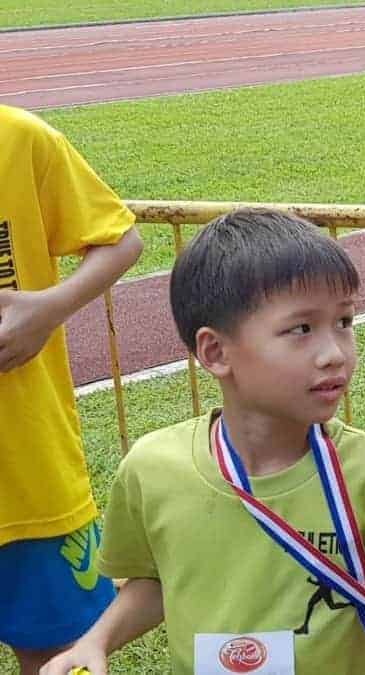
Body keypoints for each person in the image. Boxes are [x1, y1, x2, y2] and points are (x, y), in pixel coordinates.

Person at [41, 208, 365, 675]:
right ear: (215, 352)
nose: (334, 354)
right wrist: (96, 641)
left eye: (344, 322)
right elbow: (156, 580)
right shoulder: (152, 468)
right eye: (301, 329)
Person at [0, 104, 143, 674]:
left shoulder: (19, 140)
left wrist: (48, 309)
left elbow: (121, 239)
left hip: (32, 478)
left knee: (61, 656)